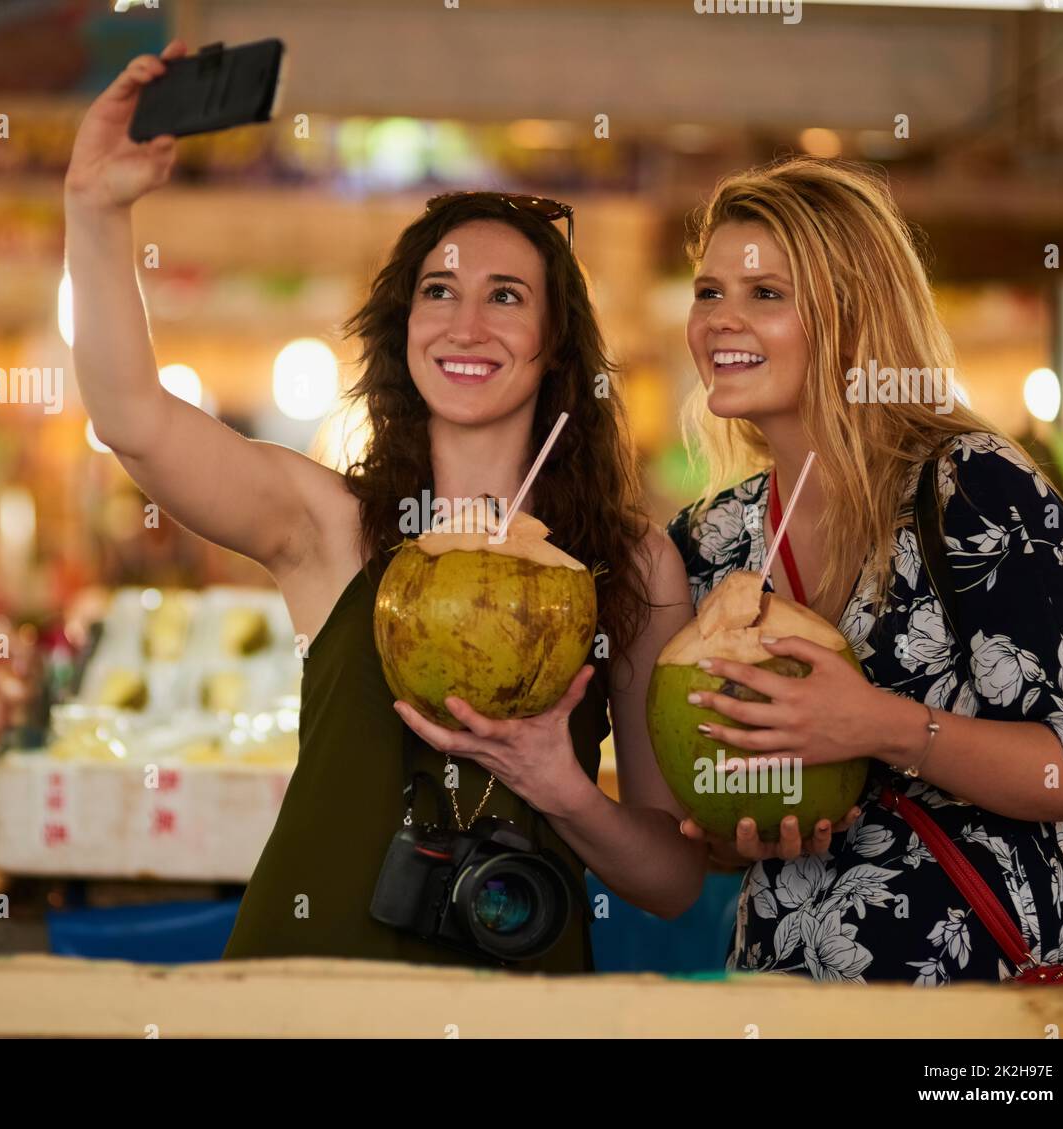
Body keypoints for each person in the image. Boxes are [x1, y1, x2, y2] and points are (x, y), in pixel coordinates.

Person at [64, 39, 709, 973]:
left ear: (554, 342)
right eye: (438, 291)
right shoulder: (331, 527)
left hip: (513, 1000)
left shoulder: (635, 563)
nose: (466, 324)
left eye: (506, 297)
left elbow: (673, 876)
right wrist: (95, 208)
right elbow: (132, 418)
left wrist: (559, 786)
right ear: (402, 328)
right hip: (309, 990)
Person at [671, 156, 1063, 984]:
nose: (722, 319)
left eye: (766, 293)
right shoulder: (713, 539)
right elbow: (713, 827)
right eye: (708, 291)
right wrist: (739, 831)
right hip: (785, 995)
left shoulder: (971, 485)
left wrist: (882, 726)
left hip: (986, 1005)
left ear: (853, 315)